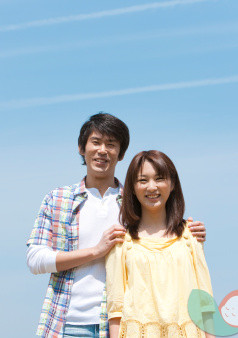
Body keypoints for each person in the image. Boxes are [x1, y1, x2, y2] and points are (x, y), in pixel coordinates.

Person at [26, 113, 207, 338]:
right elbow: (35, 260)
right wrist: (95, 251)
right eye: (96, 142)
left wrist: (187, 230)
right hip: (68, 321)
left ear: (120, 154)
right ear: (82, 148)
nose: (103, 150)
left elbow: (160, 231)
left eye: (111, 144)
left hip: (122, 324)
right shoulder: (58, 199)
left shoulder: (133, 200)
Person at [106, 150, 215, 338]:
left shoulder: (190, 236)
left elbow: (204, 303)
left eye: (159, 178)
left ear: (172, 184)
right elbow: (115, 309)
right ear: (132, 187)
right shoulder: (121, 241)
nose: (151, 187)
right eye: (142, 180)